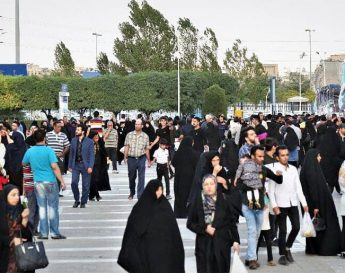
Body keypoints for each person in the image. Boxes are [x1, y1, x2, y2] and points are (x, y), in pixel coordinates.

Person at [118, 179, 185, 273]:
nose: (160, 192)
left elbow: (174, 234)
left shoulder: (165, 207)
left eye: (161, 189)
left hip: (164, 257)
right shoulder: (140, 208)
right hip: (145, 256)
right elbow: (132, 232)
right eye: (158, 190)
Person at [236, 146, 282, 270]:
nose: (262, 159)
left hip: (260, 206)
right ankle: (252, 259)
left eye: (263, 156)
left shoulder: (264, 169)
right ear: (252, 156)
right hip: (248, 205)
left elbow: (277, 180)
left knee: (256, 232)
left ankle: (249, 257)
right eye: (259, 156)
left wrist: (279, 175)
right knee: (252, 231)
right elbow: (238, 185)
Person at [187, 174, 240, 273]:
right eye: (206, 184)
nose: (209, 187)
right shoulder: (197, 200)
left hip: (222, 243)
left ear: (216, 185)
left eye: (211, 183)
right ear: (202, 186)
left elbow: (231, 222)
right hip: (204, 245)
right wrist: (205, 228)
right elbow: (190, 223)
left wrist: (236, 241)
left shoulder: (224, 199)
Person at [22, 129, 66, 240]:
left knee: (42, 208)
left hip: (38, 182)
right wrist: (62, 181)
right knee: (53, 208)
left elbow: (23, 163)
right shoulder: (49, 150)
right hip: (50, 181)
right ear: (44, 138)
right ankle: (55, 233)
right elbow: (54, 167)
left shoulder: (30, 151)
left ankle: (44, 233)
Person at [268, 146, 308, 265]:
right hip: (280, 204)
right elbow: (270, 190)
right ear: (277, 157)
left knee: (296, 227)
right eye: (282, 155)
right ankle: (281, 255)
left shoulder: (293, 169)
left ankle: (287, 247)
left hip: (293, 202)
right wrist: (274, 205)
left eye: (287, 155)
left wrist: (304, 203)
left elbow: (298, 187)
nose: (285, 157)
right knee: (283, 230)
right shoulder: (274, 169)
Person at [300, 148, 341, 255]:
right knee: (321, 227)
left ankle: (313, 249)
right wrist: (316, 206)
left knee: (315, 227)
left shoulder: (308, 169)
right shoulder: (312, 172)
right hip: (318, 204)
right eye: (318, 156)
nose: (320, 158)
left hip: (313, 203)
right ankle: (325, 248)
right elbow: (314, 190)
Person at [0, 184, 33, 273]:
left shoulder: (21, 211)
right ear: (5, 196)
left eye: (18, 194)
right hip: (5, 256)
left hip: (22, 256)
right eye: (13, 195)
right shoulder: (2, 213)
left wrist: (25, 220)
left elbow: (28, 237)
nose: (17, 197)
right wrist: (12, 241)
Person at [68, 124, 95, 208]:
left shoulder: (90, 142)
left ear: (83, 131)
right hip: (75, 165)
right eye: (76, 130)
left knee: (85, 185)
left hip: (85, 165)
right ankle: (77, 200)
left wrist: (90, 166)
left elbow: (91, 155)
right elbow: (71, 154)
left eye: (78, 130)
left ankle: (83, 201)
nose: (76, 131)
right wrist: (70, 165)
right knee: (73, 183)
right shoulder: (73, 140)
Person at [172, 136, 199, 218]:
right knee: (189, 195)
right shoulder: (194, 153)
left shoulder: (178, 153)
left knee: (179, 195)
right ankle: (187, 213)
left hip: (179, 177)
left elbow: (173, 163)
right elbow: (197, 165)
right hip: (190, 178)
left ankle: (178, 213)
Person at [124, 119, 151, 200]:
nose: (137, 126)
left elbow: (146, 149)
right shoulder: (129, 135)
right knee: (131, 176)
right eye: (136, 124)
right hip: (131, 158)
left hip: (141, 158)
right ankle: (132, 192)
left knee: (141, 177)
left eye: (139, 124)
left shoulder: (145, 136)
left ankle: (140, 195)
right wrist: (125, 157)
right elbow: (126, 146)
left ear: (142, 126)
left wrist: (149, 160)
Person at [88, 130, 111, 202]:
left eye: (97, 138)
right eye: (94, 138)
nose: (96, 139)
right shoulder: (88, 144)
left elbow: (104, 153)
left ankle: (92, 195)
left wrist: (107, 161)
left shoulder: (100, 144)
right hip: (91, 165)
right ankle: (96, 195)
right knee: (93, 180)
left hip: (99, 165)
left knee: (97, 180)